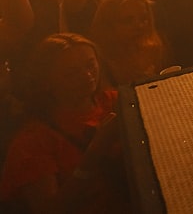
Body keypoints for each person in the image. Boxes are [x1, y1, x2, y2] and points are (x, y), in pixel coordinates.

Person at [0, 33, 127, 213]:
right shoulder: (33, 142)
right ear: (45, 82)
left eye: (90, 64)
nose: (87, 75)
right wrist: (97, 149)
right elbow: (51, 209)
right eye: (72, 72)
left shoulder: (115, 101)